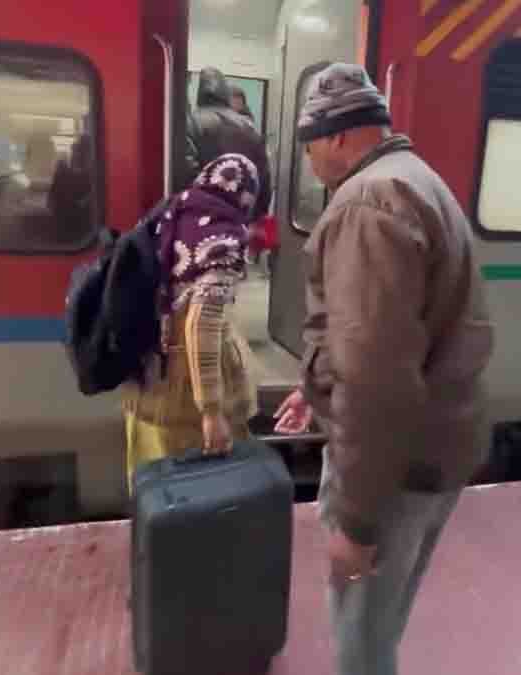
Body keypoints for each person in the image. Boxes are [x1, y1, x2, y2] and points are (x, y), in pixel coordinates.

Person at [273, 63, 493, 675]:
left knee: (361, 640)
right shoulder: (419, 180)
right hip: (436, 449)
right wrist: (312, 386)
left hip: (391, 475)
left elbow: (377, 381)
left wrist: (357, 520)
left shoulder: (367, 204)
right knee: (380, 623)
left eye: (309, 142)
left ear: (339, 136)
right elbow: (391, 336)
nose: (309, 158)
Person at [120, 153, 259, 488]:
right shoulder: (223, 239)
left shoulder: (167, 215)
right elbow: (201, 324)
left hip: (147, 382)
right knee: (195, 499)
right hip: (183, 402)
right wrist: (211, 411)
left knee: (151, 489)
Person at [185, 67, 272, 220]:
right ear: (224, 94)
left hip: (201, 220)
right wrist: (256, 217)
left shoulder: (191, 122)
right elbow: (263, 181)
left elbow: (185, 174)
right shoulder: (249, 127)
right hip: (239, 219)